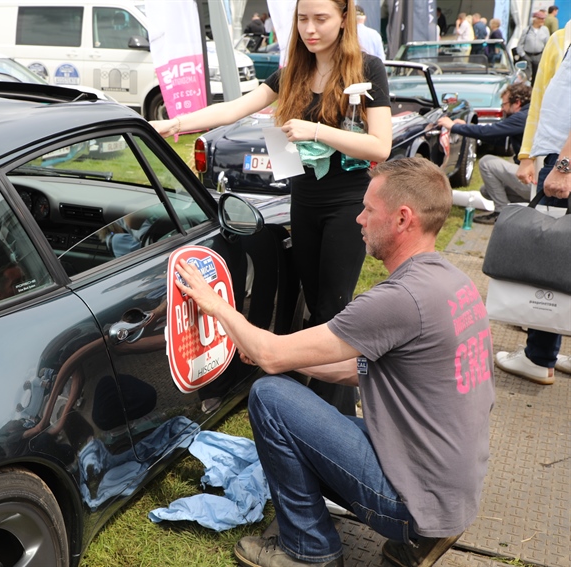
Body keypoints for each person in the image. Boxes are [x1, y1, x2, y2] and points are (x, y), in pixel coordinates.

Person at [173, 157, 495, 567]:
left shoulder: (401, 299)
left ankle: (309, 550)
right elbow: (365, 372)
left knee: (270, 398)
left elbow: (271, 356)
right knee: (294, 401)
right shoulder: (452, 283)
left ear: (402, 219)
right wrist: (286, 357)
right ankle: (423, 534)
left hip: (413, 499)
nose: (359, 218)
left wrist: (216, 305)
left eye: (369, 209)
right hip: (451, 490)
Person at [152, 0, 392, 416]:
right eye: (303, 19)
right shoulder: (292, 71)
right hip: (304, 200)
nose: (310, 29)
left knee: (333, 309)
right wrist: (174, 124)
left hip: (347, 203)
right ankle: (317, 402)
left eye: (321, 19)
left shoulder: (368, 70)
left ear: (344, 19)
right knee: (313, 304)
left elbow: (380, 146)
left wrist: (316, 130)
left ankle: (334, 415)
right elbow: (234, 108)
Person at [502, 26, 571, 386]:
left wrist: (563, 164)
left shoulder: (561, 39)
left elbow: (544, 99)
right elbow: (542, 98)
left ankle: (539, 357)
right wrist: (528, 155)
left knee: (551, 259)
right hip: (558, 155)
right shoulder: (560, 38)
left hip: (564, 161)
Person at [436, 83, 532, 224]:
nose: (502, 109)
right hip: (534, 180)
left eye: (504, 104)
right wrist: (465, 127)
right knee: (486, 191)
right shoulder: (528, 115)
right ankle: (520, 211)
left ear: (517, 103)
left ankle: (501, 213)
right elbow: (496, 138)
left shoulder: (522, 117)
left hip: (533, 181)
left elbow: (488, 131)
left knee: (487, 162)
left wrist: (454, 126)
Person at [518, 11, 550, 80]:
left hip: (538, 56)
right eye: (541, 19)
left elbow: (547, 45)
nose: (543, 20)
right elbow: (520, 44)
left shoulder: (545, 30)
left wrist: (544, 56)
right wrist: (523, 55)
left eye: (543, 19)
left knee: (537, 76)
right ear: (535, 19)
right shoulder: (527, 30)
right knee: (526, 75)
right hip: (527, 55)